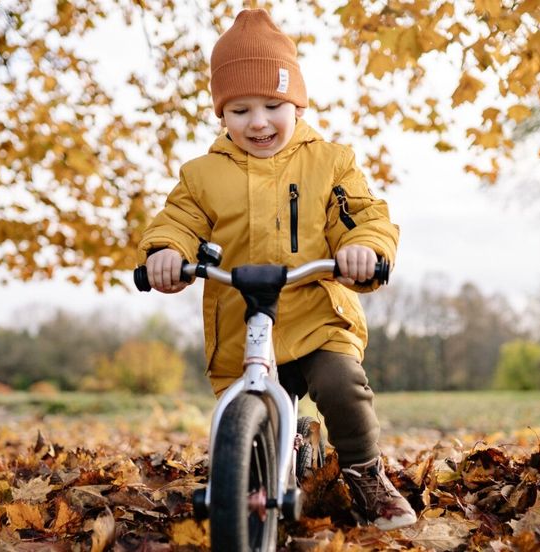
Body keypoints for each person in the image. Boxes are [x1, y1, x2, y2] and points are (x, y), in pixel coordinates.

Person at [137, 9, 416, 531]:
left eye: (272, 105)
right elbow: (178, 221)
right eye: (240, 109)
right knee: (246, 421)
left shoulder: (331, 162)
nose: (258, 122)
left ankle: (364, 473)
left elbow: (365, 216)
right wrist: (164, 253)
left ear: (296, 102)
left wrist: (361, 248)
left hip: (315, 312)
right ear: (222, 114)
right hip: (246, 324)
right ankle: (258, 478)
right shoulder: (202, 176)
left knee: (341, 385)